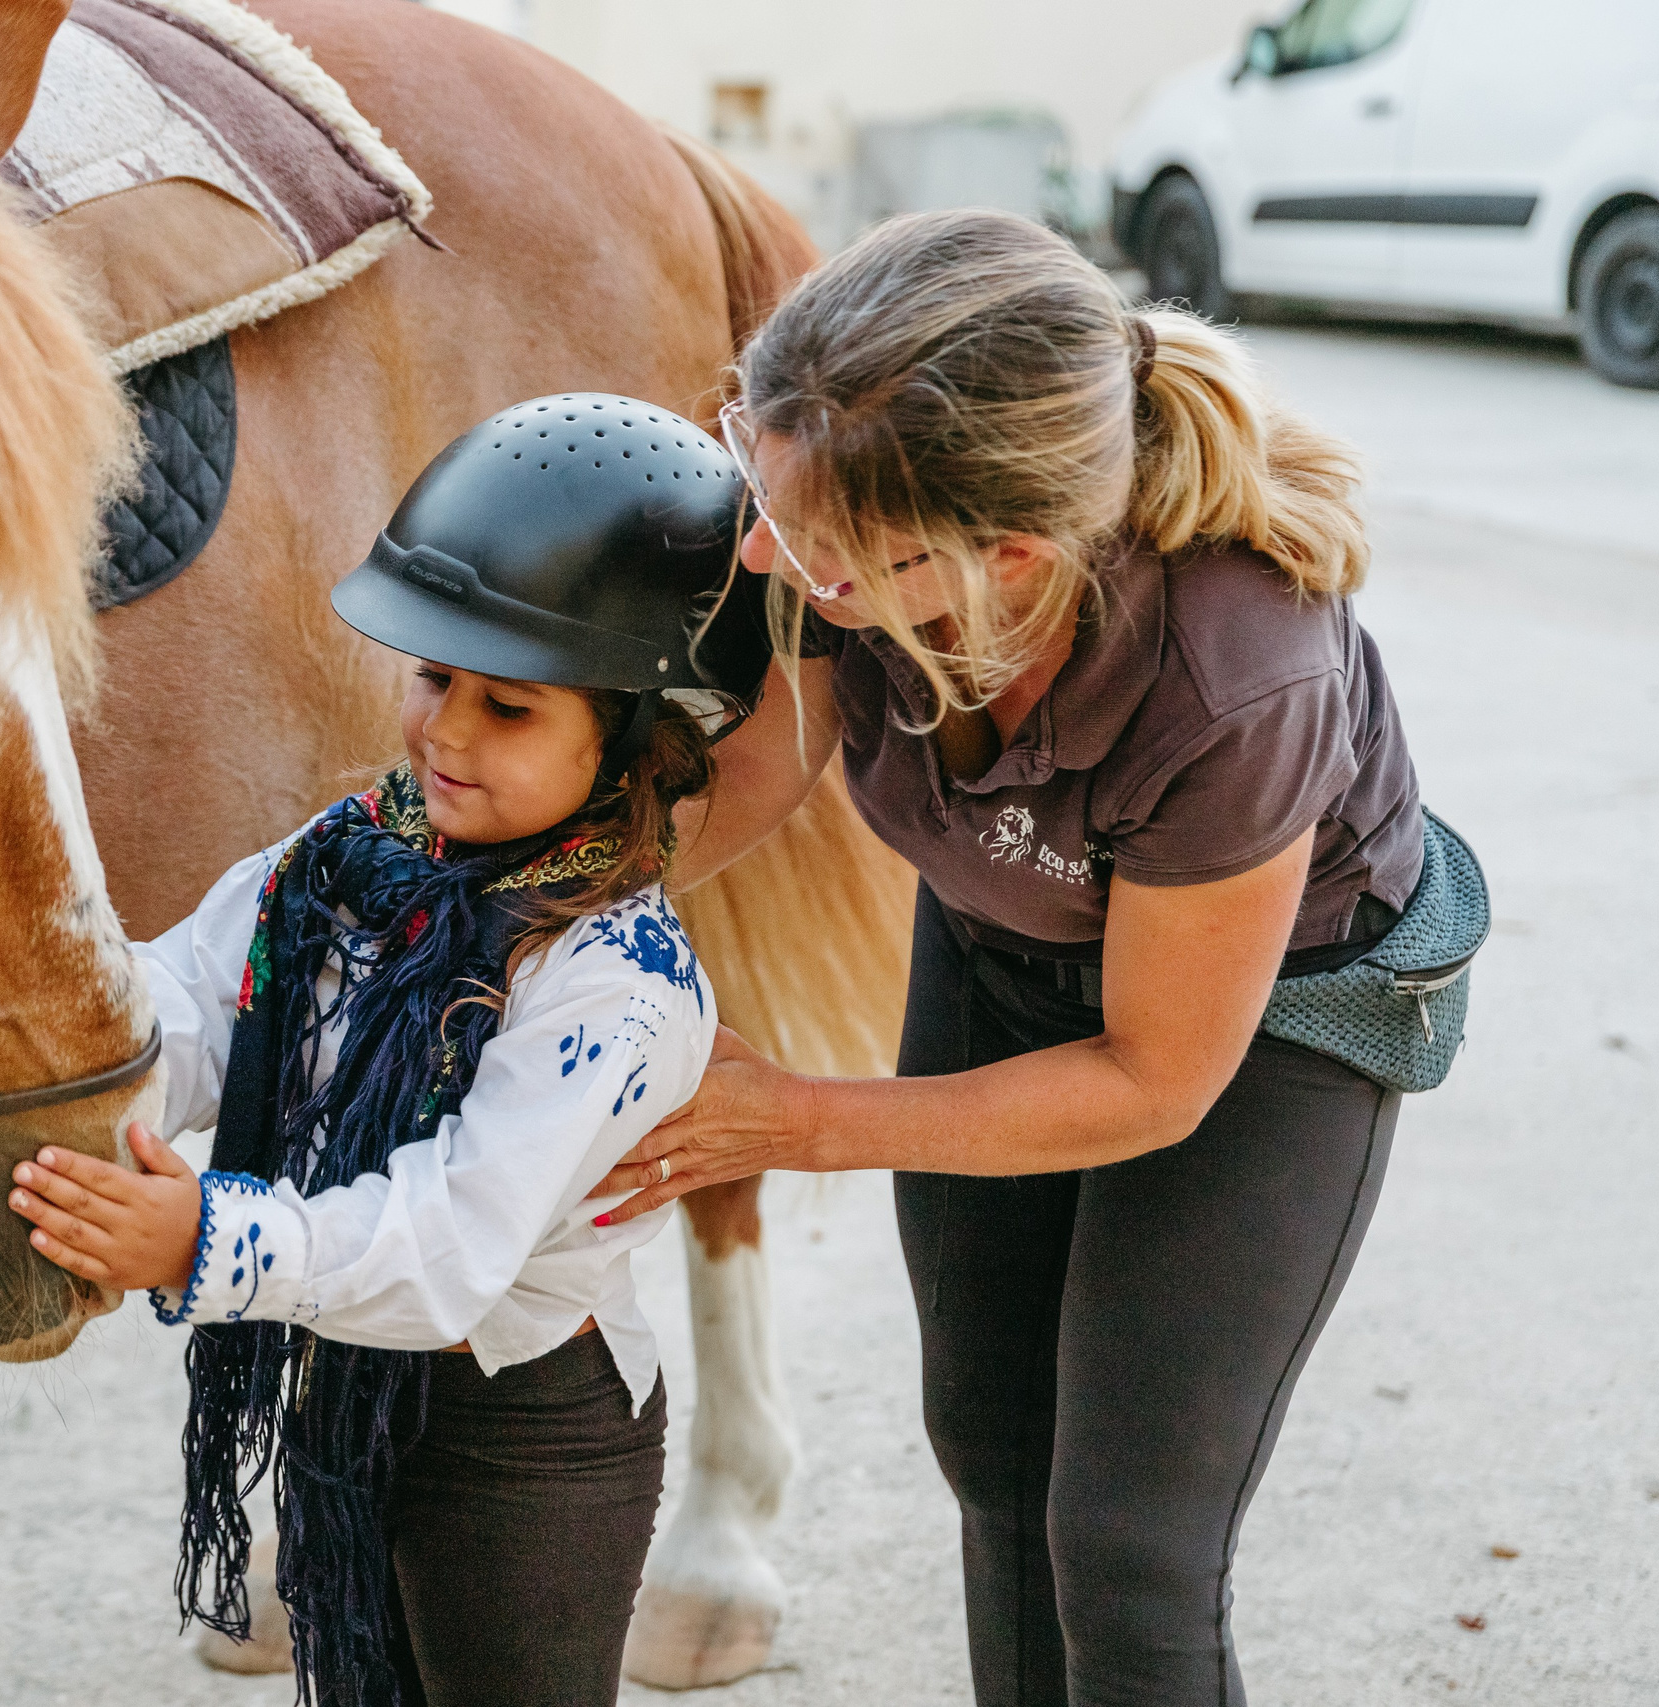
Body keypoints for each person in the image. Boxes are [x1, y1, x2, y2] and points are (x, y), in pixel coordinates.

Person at [590, 211, 1446, 1706]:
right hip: (1002, 939)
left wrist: (796, 1119)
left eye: (817, 549)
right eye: (761, 489)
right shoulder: (835, 509)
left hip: (1270, 1022)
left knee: (1130, 1550)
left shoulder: (1236, 678)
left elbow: (1154, 1076)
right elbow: (759, 771)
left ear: (1008, 559)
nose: (763, 552)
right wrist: (509, 907)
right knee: (991, 1451)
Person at [6, 396, 754, 1707]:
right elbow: (194, 997)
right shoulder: (347, 857)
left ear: (640, 738)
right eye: (433, 678)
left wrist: (204, 1242)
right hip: (346, 1383)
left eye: (508, 707)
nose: (445, 732)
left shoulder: (615, 980)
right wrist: (48, 1077)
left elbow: (451, 1246)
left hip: (522, 1440)